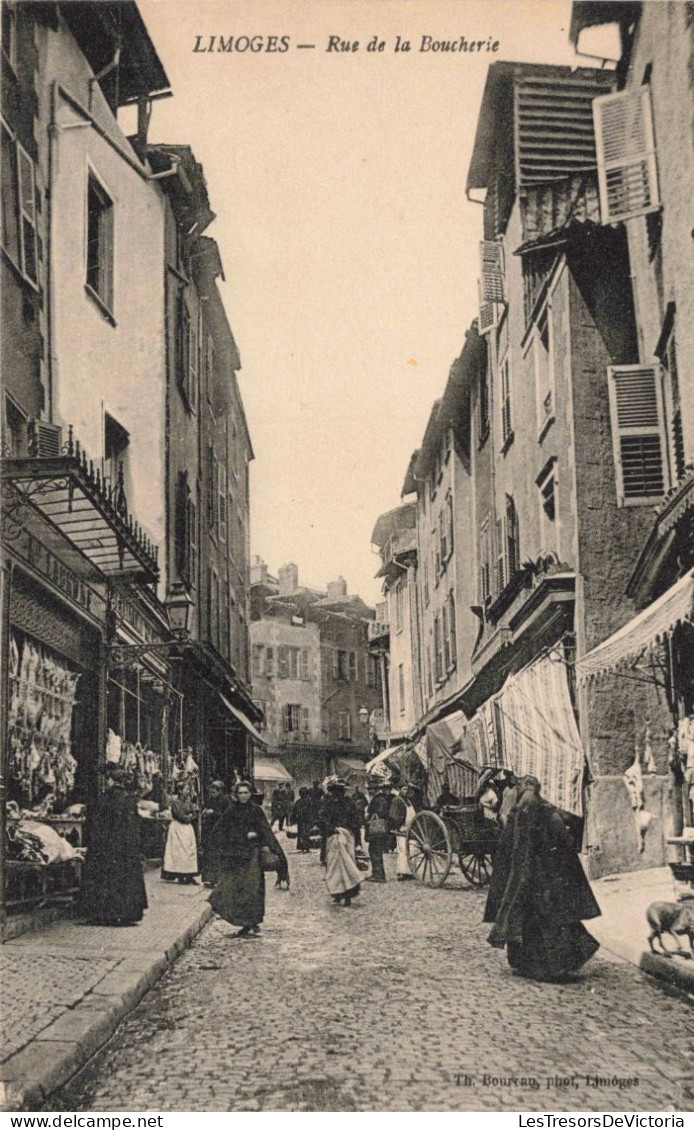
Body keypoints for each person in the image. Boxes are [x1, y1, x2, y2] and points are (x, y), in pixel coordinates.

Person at [484, 775, 601, 983]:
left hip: (535, 877)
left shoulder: (522, 806)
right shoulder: (541, 807)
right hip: (544, 876)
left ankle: (542, 966)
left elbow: (517, 845)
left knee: (538, 922)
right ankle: (548, 965)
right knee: (546, 922)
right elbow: (563, 835)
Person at [209, 780, 287, 938]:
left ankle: (252, 921)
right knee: (232, 888)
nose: (243, 796)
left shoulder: (256, 811)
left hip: (252, 856)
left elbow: (266, 831)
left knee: (252, 888)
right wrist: (236, 839)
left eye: (246, 793)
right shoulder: (231, 811)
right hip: (235, 857)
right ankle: (243, 922)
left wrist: (272, 848)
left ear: (250, 794)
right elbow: (218, 830)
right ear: (236, 795)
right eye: (240, 793)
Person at [81, 766, 148, 925]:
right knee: (124, 878)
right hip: (126, 847)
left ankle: (106, 914)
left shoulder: (105, 798)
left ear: (111, 780)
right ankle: (126, 914)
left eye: (107, 779)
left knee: (106, 878)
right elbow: (134, 826)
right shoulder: (129, 799)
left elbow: (98, 824)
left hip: (106, 846)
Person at [322, 778, 363, 907]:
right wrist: (357, 840)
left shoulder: (328, 804)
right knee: (348, 862)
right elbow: (356, 821)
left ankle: (338, 892)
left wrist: (331, 829)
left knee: (336, 865)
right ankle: (348, 892)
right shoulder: (349, 803)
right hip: (347, 836)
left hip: (334, 836)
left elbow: (322, 819)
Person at [162, 778, 199, 884]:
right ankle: (180, 874)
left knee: (189, 851)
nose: (188, 791)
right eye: (186, 789)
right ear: (180, 790)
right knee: (179, 852)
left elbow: (195, 812)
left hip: (187, 829)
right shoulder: (175, 802)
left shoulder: (188, 801)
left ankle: (189, 874)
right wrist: (190, 816)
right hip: (178, 828)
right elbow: (181, 817)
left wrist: (192, 815)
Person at [201, 780, 231, 886]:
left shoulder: (226, 800)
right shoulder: (210, 799)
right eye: (211, 792)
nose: (212, 794)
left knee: (218, 856)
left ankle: (219, 880)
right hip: (210, 831)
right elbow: (205, 807)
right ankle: (210, 879)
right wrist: (205, 811)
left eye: (214, 792)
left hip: (221, 832)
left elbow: (227, 816)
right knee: (210, 855)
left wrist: (214, 813)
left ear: (219, 791)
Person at [365, 779, 392, 882]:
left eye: (371, 789)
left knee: (374, 851)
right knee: (375, 851)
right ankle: (377, 873)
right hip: (379, 829)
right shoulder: (380, 798)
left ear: (375, 790)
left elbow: (381, 811)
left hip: (377, 829)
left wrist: (372, 816)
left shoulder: (379, 799)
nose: (369, 791)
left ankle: (378, 874)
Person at [389, 783, 417, 881]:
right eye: (404, 789)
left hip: (411, 829)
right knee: (403, 851)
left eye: (407, 789)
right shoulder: (397, 800)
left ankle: (410, 872)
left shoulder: (408, 801)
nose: (406, 791)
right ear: (399, 789)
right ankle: (401, 873)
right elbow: (393, 816)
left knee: (412, 850)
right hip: (402, 828)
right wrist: (399, 826)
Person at [290, 786, 314, 852]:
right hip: (307, 820)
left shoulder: (298, 802)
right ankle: (306, 847)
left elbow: (293, 811)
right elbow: (312, 812)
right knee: (306, 833)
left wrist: (292, 820)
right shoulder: (309, 801)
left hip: (300, 820)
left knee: (301, 833)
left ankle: (302, 847)